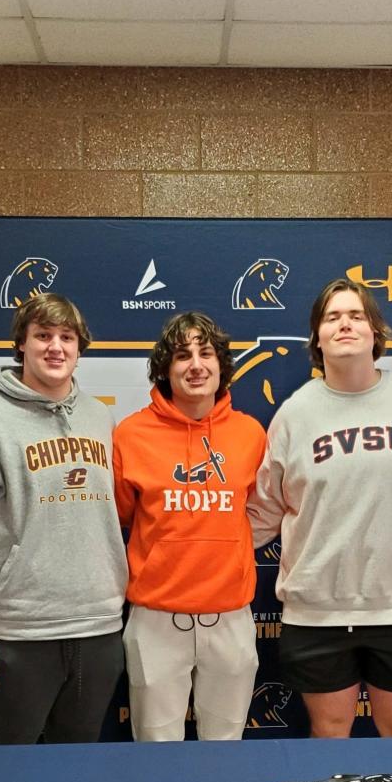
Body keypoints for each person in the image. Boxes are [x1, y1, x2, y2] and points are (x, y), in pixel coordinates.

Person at [248, 277, 392, 739]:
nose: (345, 325)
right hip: (317, 607)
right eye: (332, 317)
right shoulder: (294, 414)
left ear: (375, 333)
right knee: (330, 732)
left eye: (356, 315)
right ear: (316, 337)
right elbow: (263, 511)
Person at [0, 292, 127, 744]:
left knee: (79, 765)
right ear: (21, 345)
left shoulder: (101, 417)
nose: (55, 347)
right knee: (7, 769)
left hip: (98, 627)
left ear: (80, 350)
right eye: (43, 335)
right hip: (18, 631)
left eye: (67, 337)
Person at [113, 311, 266, 741]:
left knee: (226, 747)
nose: (196, 365)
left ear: (222, 366)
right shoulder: (130, 434)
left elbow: (259, 511)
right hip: (156, 618)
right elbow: (122, 518)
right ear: (165, 368)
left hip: (230, 615)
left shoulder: (251, 434)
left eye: (206, 353)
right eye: (182, 355)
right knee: (156, 748)